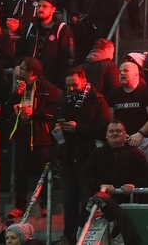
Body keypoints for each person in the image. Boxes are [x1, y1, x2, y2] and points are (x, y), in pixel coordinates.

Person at [55, 67, 111, 244]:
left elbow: (104, 129)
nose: (71, 89)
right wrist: (56, 128)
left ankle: (87, 237)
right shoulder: (63, 99)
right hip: (67, 157)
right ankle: (70, 237)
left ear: (84, 80)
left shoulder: (97, 100)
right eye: (68, 85)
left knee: (87, 200)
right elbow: (54, 120)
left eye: (74, 85)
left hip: (88, 158)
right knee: (68, 202)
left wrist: (78, 128)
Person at [7, 57, 60, 220]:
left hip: (40, 137)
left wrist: (34, 111)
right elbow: (8, 106)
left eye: (22, 69)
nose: (18, 70)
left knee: (42, 172)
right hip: (22, 135)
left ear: (31, 72)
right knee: (20, 173)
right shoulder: (19, 86)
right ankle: (19, 206)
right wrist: (16, 98)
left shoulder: (49, 88)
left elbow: (54, 112)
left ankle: (45, 205)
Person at [83, 120, 148, 201]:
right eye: (111, 131)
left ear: (125, 134)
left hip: (128, 202)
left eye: (118, 131)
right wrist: (100, 186)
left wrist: (133, 185)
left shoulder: (136, 154)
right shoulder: (97, 153)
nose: (114, 133)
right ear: (106, 135)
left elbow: (147, 177)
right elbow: (85, 176)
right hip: (102, 202)